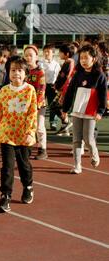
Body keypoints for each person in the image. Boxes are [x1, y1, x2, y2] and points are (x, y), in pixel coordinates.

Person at [0, 56, 37, 213]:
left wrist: (30, 132)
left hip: (24, 134)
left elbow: (32, 112)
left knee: (24, 165)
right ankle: (5, 195)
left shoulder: (30, 90)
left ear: (25, 73)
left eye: (19, 70)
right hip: (7, 134)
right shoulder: (4, 90)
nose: (16, 74)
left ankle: (28, 186)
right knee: (7, 166)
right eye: (13, 70)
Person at [62, 44, 107, 174]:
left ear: (93, 58)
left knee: (88, 138)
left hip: (91, 112)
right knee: (76, 139)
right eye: (81, 58)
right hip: (77, 110)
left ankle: (94, 153)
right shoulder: (78, 75)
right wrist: (65, 109)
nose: (83, 61)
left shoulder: (100, 76)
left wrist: (100, 111)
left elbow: (103, 95)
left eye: (86, 58)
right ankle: (77, 165)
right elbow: (70, 92)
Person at [24, 45, 47, 160]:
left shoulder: (40, 72)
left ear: (36, 56)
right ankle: (27, 148)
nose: (28, 58)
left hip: (39, 104)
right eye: (26, 55)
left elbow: (42, 89)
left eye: (30, 55)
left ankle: (42, 149)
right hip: (25, 104)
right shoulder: (23, 71)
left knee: (39, 127)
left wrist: (37, 104)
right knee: (27, 127)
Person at [53, 43, 75, 136]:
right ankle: (65, 129)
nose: (59, 54)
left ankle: (66, 122)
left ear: (67, 53)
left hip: (64, 89)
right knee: (61, 107)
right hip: (65, 89)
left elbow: (64, 77)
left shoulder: (68, 63)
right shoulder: (70, 62)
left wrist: (57, 87)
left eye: (60, 52)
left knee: (55, 106)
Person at [40, 44, 61, 131]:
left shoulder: (57, 64)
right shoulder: (40, 63)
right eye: (45, 51)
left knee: (53, 105)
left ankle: (53, 123)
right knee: (41, 104)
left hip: (53, 86)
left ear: (53, 53)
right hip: (42, 86)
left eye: (48, 51)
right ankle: (40, 122)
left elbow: (59, 76)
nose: (46, 53)